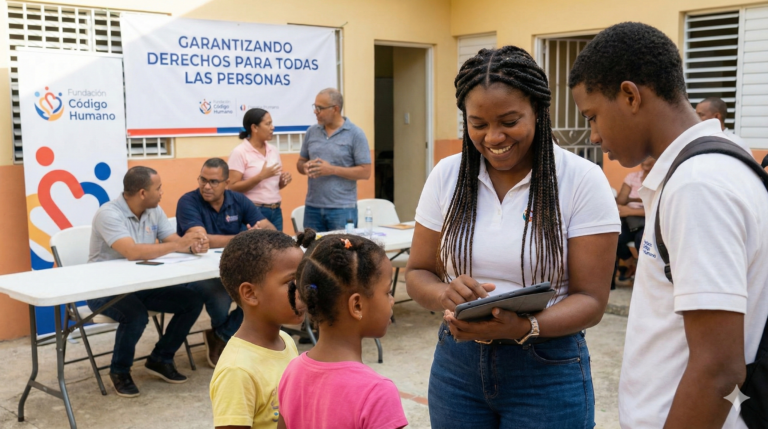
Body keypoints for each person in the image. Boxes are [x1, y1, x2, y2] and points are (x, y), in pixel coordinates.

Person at [405, 46, 620, 429]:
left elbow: (591, 300)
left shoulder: (581, 180)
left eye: (509, 121)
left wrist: (525, 327)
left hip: (547, 369)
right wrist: (444, 294)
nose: (493, 137)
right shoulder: (447, 175)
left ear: (537, 110)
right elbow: (418, 271)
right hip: (457, 365)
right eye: (478, 124)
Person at [570, 22, 768, 428]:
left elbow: (718, 370)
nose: (593, 135)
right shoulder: (725, 162)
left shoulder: (698, 186)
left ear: (629, 96)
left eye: (593, 117)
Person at [87, 166, 206, 398]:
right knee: (135, 315)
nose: (162, 192)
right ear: (143, 192)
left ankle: (160, 359)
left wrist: (193, 246)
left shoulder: (154, 210)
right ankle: (119, 371)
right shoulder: (108, 214)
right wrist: (177, 245)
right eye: (158, 188)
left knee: (192, 300)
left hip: (141, 285)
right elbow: (131, 251)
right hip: (104, 289)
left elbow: (173, 240)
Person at [278, 234, 407, 429]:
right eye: (387, 292)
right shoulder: (377, 393)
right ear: (357, 305)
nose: (392, 300)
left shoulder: (292, 371)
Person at [176, 157, 274, 368]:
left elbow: (269, 229)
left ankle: (220, 336)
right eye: (203, 179)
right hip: (198, 272)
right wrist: (245, 237)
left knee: (264, 291)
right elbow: (199, 239)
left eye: (213, 182)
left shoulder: (238, 200)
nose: (206, 186)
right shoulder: (188, 201)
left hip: (235, 269)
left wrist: (259, 232)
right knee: (219, 294)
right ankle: (229, 342)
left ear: (226, 183)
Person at [211, 229, 307, 429]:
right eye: (291, 282)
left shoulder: (285, 341)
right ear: (250, 293)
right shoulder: (237, 370)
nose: (304, 290)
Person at [297, 88, 372, 232]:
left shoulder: (355, 134)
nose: (315, 111)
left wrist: (332, 170)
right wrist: (304, 166)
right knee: (312, 253)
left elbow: (365, 172)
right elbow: (300, 162)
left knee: (342, 253)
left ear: (335, 109)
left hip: (342, 209)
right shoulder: (311, 132)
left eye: (320, 108)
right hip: (312, 207)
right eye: (315, 107)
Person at [228, 108, 292, 231]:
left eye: (271, 123)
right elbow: (232, 187)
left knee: (279, 248)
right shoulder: (239, 152)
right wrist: (260, 176)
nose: (272, 127)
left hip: (276, 210)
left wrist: (282, 182)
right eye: (268, 124)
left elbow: (272, 185)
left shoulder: (273, 150)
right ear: (254, 128)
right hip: (253, 211)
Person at [615, 157, 656, 282]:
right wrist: (641, 201)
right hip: (629, 220)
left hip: (648, 220)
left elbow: (656, 207)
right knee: (615, 236)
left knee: (642, 240)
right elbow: (621, 201)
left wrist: (631, 207)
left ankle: (644, 276)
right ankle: (630, 266)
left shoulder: (660, 178)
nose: (645, 160)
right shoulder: (632, 177)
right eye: (644, 157)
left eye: (650, 157)